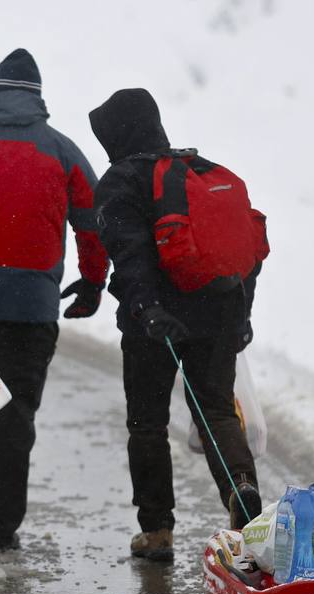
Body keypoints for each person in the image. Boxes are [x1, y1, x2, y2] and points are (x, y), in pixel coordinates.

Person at [0, 48, 109, 550]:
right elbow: (93, 222)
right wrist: (93, 281)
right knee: (12, 415)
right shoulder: (61, 150)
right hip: (31, 307)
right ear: (38, 98)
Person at [89, 88, 265, 561]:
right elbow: (246, 247)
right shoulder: (198, 171)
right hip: (219, 308)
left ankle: (157, 531)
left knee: (147, 423)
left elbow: (131, 258)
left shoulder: (122, 180)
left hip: (158, 320)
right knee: (216, 411)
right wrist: (241, 312)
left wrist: (148, 311)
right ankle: (241, 490)